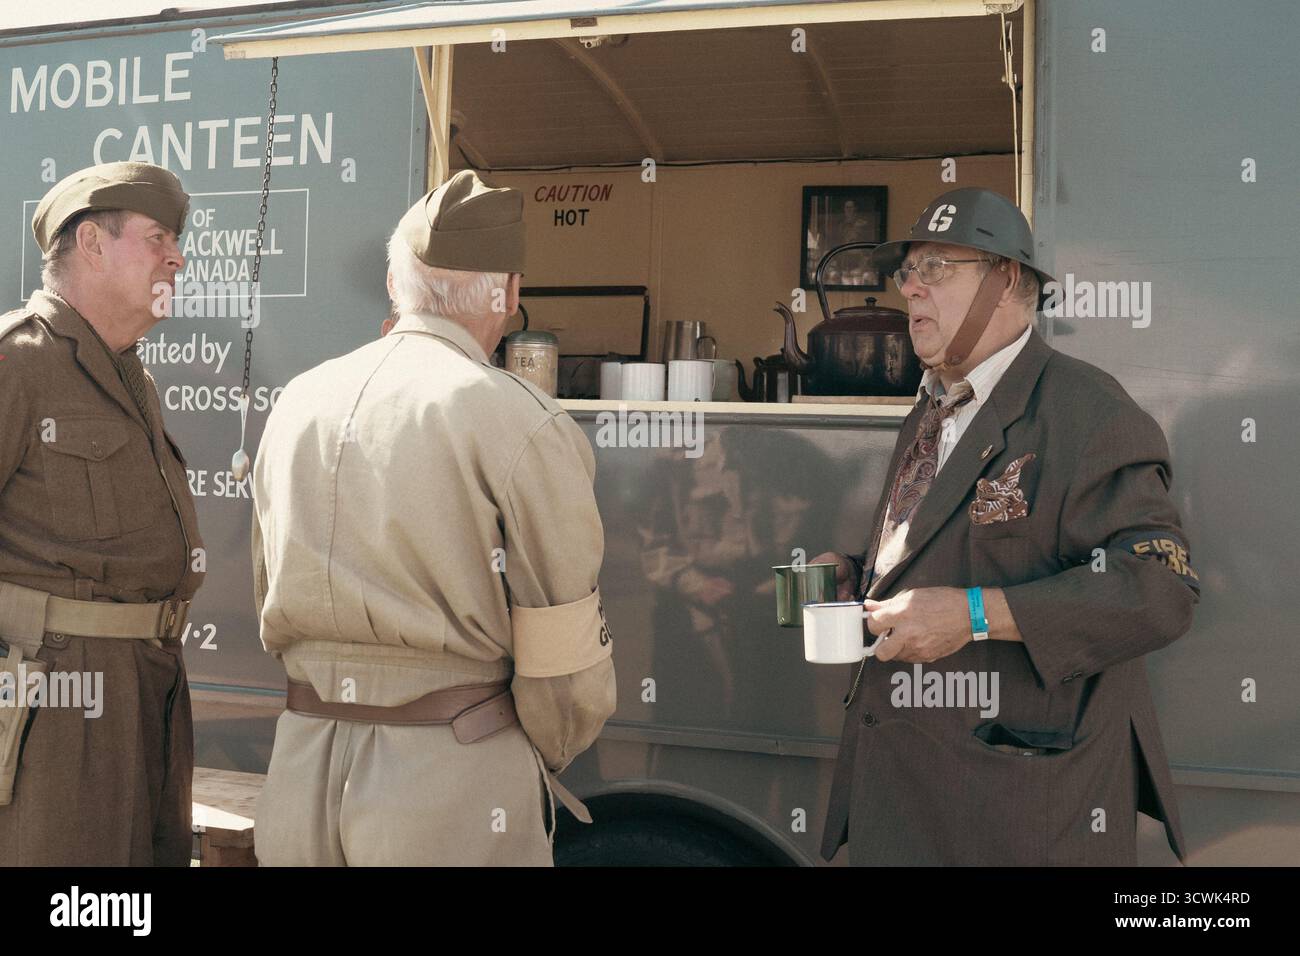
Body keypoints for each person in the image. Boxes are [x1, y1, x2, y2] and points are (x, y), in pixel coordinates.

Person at [814, 187, 1199, 865]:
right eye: (908, 272)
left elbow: (1158, 592)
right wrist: (861, 573)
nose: (911, 291)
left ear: (1006, 280)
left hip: (1019, 815)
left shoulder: (1091, 412)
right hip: (908, 799)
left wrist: (973, 614)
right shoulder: (933, 407)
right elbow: (952, 547)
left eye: (936, 269)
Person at [251, 169, 616, 866]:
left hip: (300, 774)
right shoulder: (521, 419)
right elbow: (566, 665)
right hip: (453, 779)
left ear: (396, 286)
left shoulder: (298, 400)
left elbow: (266, 590)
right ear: (507, 294)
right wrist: (541, 746)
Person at [0, 162, 203, 866]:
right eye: (157, 238)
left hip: (147, 693)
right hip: (55, 709)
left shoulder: (130, 374)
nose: (176, 256)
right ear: (91, 243)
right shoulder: (17, 361)